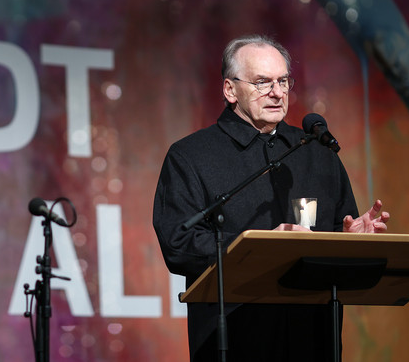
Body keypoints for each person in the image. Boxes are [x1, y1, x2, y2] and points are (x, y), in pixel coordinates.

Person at [153, 34, 390, 361]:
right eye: (262, 82)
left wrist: (350, 240)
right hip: (235, 338)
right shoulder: (191, 156)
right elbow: (179, 243)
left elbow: (336, 233)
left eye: (283, 81)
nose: (277, 92)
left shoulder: (317, 152)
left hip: (313, 337)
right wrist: (257, 247)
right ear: (230, 90)